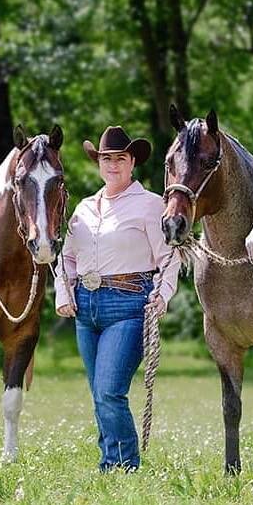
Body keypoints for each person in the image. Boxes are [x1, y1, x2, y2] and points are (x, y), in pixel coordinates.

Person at [55, 125, 179, 471]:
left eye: (120, 158)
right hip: (85, 306)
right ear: (98, 163)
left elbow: (169, 257)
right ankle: (109, 463)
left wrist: (162, 294)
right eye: (106, 158)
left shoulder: (151, 205)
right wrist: (64, 292)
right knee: (99, 395)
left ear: (132, 162)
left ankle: (123, 466)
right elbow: (67, 257)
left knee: (110, 390)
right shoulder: (83, 208)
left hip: (129, 304)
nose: (113, 165)